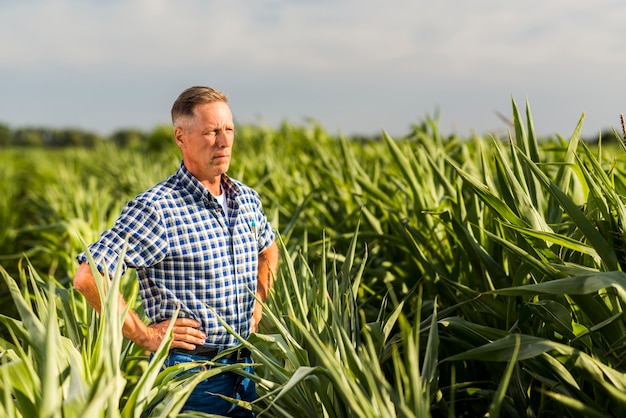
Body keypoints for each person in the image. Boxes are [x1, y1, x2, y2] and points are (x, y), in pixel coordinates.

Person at [73, 86, 279, 416]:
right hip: (190, 375)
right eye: (211, 131)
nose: (223, 142)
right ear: (181, 137)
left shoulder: (246, 198)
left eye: (228, 129)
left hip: (244, 367)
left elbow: (268, 250)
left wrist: (257, 302)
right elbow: (87, 276)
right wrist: (144, 336)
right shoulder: (158, 208)